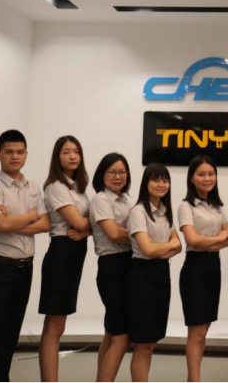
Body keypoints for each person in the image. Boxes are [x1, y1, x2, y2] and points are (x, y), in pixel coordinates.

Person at [0, 129, 51, 382]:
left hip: (24, 269)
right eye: (9, 152)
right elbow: (1, 225)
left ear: (26, 154)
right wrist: (29, 216)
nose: (15, 157)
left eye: (20, 152)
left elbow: (45, 224)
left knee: (10, 336)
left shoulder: (33, 187)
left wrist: (12, 220)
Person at [39, 135, 92, 382]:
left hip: (74, 255)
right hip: (61, 254)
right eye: (66, 152)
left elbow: (86, 226)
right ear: (57, 157)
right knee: (54, 325)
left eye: (76, 151)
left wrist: (86, 231)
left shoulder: (78, 187)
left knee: (59, 324)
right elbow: (80, 222)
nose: (72, 156)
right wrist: (89, 226)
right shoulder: (56, 187)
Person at [178, 155, 228, 382]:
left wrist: (209, 241)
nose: (207, 178)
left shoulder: (216, 207)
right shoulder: (186, 206)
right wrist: (217, 238)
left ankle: (193, 378)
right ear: (191, 178)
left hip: (212, 268)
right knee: (197, 331)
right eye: (201, 174)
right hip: (195, 270)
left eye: (211, 174)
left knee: (205, 329)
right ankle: (194, 379)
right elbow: (192, 240)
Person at [127, 162, 182, 383]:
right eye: (156, 180)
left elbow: (179, 246)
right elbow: (147, 250)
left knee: (152, 341)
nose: (161, 184)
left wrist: (158, 248)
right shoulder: (138, 212)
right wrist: (165, 246)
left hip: (161, 275)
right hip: (142, 277)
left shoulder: (166, 212)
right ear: (146, 183)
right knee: (143, 342)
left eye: (165, 180)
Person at [89, 153, 133, 382]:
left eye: (122, 172)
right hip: (112, 267)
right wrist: (143, 236)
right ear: (102, 174)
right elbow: (114, 233)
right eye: (112, 172)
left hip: (129, 265)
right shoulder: (101, 199)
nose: (118, 176)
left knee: (111, 332)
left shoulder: (127, 200)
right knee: (121, 337)